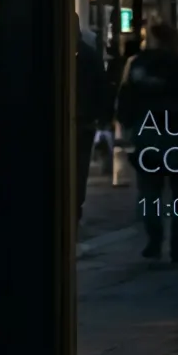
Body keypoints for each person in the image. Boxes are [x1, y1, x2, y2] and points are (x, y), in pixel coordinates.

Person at [116, 24, 178, 262]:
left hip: (148, 133)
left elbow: (126, 98)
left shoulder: (139, 64)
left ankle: (154, 240)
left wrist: (127, 126)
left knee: (150, 192)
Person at [75, 17, 106, 220]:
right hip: (84, 121)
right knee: (79, 169)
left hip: (81, 120)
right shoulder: (89, 54)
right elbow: (101, 88)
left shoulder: (85, 54)